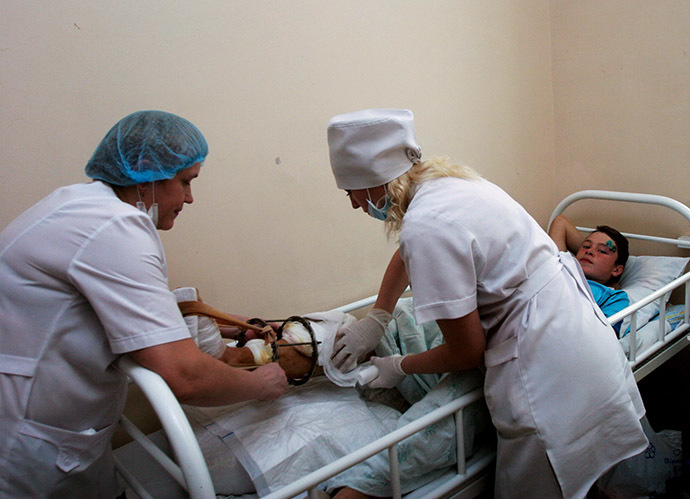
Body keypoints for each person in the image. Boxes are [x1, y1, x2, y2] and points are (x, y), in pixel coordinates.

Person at [326, 109, 648, 498]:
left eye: (351, 193)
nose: (354, 205)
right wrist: (379, 316)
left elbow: (466, 350)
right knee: (587, 482)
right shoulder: (449, 185)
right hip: (581, 338)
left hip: (547, 366)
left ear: (374, 183)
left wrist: (397, 366)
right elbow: (408, 253)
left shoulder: (426, 223)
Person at [0, 110, 288, 498]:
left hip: (51, 430)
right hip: (31, 450)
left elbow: (116, 307)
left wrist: (219, 321)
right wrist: (258, 384)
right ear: (148, 170)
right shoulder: (116, 228)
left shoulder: (77, 205)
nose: (189, 197)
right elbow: (185, 376)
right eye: (185, 181)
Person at [549, 215, 630, 334]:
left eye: (602, 251)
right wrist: (583, 258)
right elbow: (560, 222)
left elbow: (604, 338)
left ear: (617, 270)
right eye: (586, 246)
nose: (589, 251)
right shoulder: (562, 267)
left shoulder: (614, 297)